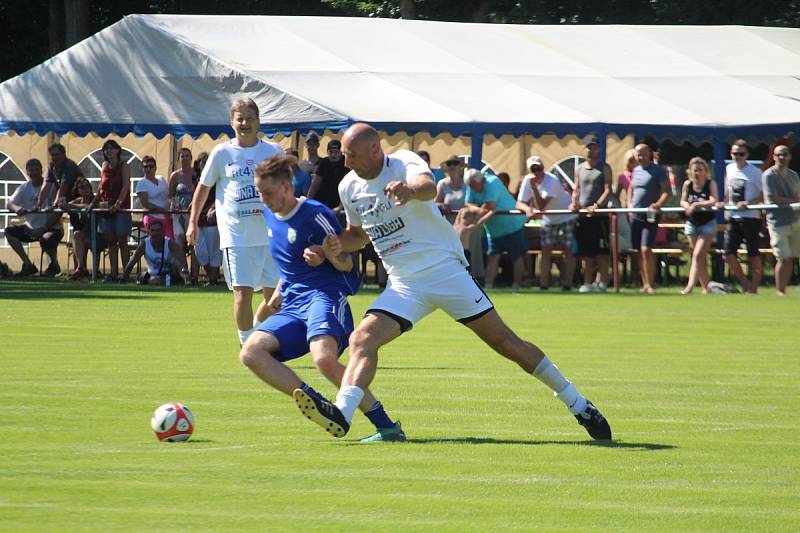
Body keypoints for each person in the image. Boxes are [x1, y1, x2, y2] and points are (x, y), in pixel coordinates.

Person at [291, 123, 611, 442]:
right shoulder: (349, 186)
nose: (345, 162)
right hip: (404, 284)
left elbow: (428, 186)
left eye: (351, 155)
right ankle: (342, 414)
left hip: (445, 271)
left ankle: (578, 404)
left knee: (506, 343)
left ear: (375, 150)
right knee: (362, 340)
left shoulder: (403, 163)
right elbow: (358, 235)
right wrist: (330, 248)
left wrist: (410, 191)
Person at [239, 155, 405, 443]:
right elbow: (289, 264)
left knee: (324, 360)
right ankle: (318, 404)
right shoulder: (268, 215)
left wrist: (327, 255)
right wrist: (279, 290)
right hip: (293, 304)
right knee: (251, 352)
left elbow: (348, 268)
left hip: (325, 296)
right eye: (259, 192)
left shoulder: (315, 214)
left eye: (268, 192)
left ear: (287, 186)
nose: (263, 199)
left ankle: (387, 427)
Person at [186, 98, 283, 345]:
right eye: (240, 118)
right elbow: (203, 188)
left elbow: (286, 188)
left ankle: (257, 333)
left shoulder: (273, 151)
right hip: (237, 236)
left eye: (250, 118)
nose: (245, 123)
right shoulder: (222, 152)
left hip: (271, 235)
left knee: (278, 298)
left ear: (259, 121)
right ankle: (247, 344)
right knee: (243, 294)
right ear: (232, 122)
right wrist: (193, 222)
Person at [516, 156, 577, 290]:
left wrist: (534, 187)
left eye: (540, 168)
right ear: (529, 170)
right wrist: (527, 209)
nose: (538, 172)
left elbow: (541, 206)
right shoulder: (527, 180)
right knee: (546, 250)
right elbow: (519, 203)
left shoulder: (552, 180)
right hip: (549, 219)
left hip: (566, 216)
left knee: (567, 250)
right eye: (534, 169)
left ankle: (568, 284)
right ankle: (544, 285)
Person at [465, 168, 527, 289]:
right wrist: (478, 210)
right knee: (492, 257)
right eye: (470, 186)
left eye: (474, 186)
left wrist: (478, 215)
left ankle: (517, 286)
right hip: (493, 230)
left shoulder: (493, 182)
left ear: (481, 180)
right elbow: (467, 203)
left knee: (516, 256)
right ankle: (488, 286)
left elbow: (490, 205)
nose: (472, 189)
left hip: (512, 226)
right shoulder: (471, 184)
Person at [6, 159, 64, 277]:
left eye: (36, 170)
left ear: (41, 171)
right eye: (31, 171)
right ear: (27, 172)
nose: (34, 173)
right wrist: (17, 208)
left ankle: (54, 265)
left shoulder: (51, 186)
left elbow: (59, 211)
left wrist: (43, 228)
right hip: (30, 227)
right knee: (9, 231)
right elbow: (9, 203)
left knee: (46, 239)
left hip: (52, 227)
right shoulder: (23, 188)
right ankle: (28, 265)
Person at [571, 135, 612, 293]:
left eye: (594, 147)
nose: (591, 150)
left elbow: (608, 189)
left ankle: (602, 283)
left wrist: (597, 206)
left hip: (599, 216)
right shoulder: (579, 168)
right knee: (585, 252)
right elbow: (576, 189)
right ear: (585, 149)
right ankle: (587, 282)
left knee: (601, 252)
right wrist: (574, 201)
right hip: (583, 216)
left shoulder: (604, 167)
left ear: (599, 149)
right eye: (589, 147)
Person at [87, 139, 132, 282]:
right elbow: (101, 188)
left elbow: (125, 186)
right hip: (106, 208)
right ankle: (113, 273)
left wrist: (118, 204)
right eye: (106, 149)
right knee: (111, 241)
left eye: (112, 148)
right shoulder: (104, 166)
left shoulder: (124, 165)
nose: (109, 151)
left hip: (121, 208)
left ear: (118, 150)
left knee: (122, 241)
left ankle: (125, 273)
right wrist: (93, 204)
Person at [628, 143, 670, 294]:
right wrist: (629, 206)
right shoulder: (635, 170)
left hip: (650, 215)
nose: (640, 157)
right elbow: (631, 189)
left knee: (646, 248)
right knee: (638, 250)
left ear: (649, 154)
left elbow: (667, 191)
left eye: (643, 154)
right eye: (638, 154)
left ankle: (651, 283)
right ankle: (644, 283)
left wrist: (658, 204)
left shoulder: (659, 170)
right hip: (635, 214)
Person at [723, 140, 764, 294]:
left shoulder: (755, 172)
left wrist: (748, 203)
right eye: (735, 153)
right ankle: (745, 283)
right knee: (728, 252)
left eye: (741, 154)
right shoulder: (729, 168)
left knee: (753, 253)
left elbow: (762, 195)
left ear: (747, 155)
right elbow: (728, 192)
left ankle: (754, 286)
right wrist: (724, 203)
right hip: (734, 216)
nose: (737, 156)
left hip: (751, 217)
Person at [435, 155, 485, 280]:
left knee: (473, 252)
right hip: (450, 226)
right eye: (449, 163)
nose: (452, 166)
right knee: (453, 254)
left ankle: (477, 279)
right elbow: (435, 203)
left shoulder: (468, 183)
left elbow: (477, 201)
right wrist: (441, 205)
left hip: (470, 224)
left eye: (455, 163)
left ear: (461, 166)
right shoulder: (442, 184)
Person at [762, 144, 800, 296]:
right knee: (783, 258)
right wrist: (794, 201)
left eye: (785, 154)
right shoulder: (768, 175)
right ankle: (780, 292)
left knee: (791, 258)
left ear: (790, 156)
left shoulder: (794, 175)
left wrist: (795, 202)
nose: (782, 157)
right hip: (777, 222)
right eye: (778, 155)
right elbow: (774, 198)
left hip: (795, 221)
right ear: (774, 157)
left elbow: (798, 195)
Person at [679, 157, 719, 294]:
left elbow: (713, 200)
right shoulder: (687, 184)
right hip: (692, 223)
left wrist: (696, 204)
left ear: (705, 171)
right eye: (695, 170)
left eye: (700, 170)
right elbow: (683, 201)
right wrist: (687, 206)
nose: (697, 173)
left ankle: (689, 286)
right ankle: (706, 288)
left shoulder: (710, 183)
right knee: (699, 256)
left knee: (697, 254)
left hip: (707, 223)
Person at [121, 218, 189, 285]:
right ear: (148, 232)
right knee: (151, 279)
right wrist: (124, 277)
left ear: (162, 231)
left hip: (169, 274)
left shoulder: (170, 243)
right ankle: (160, 282)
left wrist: (185, 277)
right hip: (152, 275)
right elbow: (132, 261)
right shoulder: (144, 244)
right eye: (153, 230)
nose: (156, 233)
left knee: (176, 262)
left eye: (158, 230)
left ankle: (175, 281)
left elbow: (182, 261)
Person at [66, 177, 107, 280]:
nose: (86, 189)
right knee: (77, 236)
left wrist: (76, 207)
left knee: (82, 238)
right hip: (85, 236)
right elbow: (66, 205)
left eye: (87, 186)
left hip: (100, 235)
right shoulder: (78, 200)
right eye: (82, 187)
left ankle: (89, 270)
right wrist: (61, 203)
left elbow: (90, 206)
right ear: (78, 190)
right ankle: (81, 268)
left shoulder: (96, 200)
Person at [191, 152, 222, 286]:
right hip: (199, 219)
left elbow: (221, 196)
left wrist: (213, 208)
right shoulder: (197, 179)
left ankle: (213, 279)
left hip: (212, 220)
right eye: (202, 162)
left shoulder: (217, 178)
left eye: (206, 161)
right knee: (201, 252)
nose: (204, 164)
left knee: (214, 251)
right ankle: (212, 276)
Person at [169, 147, 198, 282]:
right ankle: (183, 275)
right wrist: (173, 203)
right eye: (182, 156)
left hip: (192, 213)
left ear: (191, 158)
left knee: (194, 243)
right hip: (178, 213)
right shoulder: (175, 175)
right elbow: (170, 195)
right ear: (179, 158)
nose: (184, 158)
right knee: (180, 244)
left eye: (187, 156)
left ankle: (195, 275)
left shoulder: (196, 174)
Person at [36, 143, 85, 211]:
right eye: (52, 155)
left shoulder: (69, 165)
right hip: (65, 198)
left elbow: (63, 187)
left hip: (80, 198)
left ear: (64, 154)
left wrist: (54, 205)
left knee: (76, 218)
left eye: (57, 154)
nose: (54, 157)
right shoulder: (51, 166)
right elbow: (46, 186)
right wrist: (38, 205)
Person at [135, 155, 173, 238]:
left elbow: (169, 196)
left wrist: (171, 207)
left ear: (155, 168)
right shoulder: (142, 183)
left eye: (151, 166)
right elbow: (146, 204)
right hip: (152, 217)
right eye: (145, 166)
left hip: (167, 217)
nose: (148, 169)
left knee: (170, 242)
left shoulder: (162, 179)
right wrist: (162, 210)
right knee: (156, 243)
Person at [307, 139, 348, 211]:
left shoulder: (346, 163)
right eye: (331, 152)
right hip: (323, 201)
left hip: (340, 202)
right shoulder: (324, 162)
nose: (333, 155)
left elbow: (348, 187)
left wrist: (340, 207)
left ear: (341, 152)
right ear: (327, 152)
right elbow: (316, 182)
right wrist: (308, 200)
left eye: (336, 152)